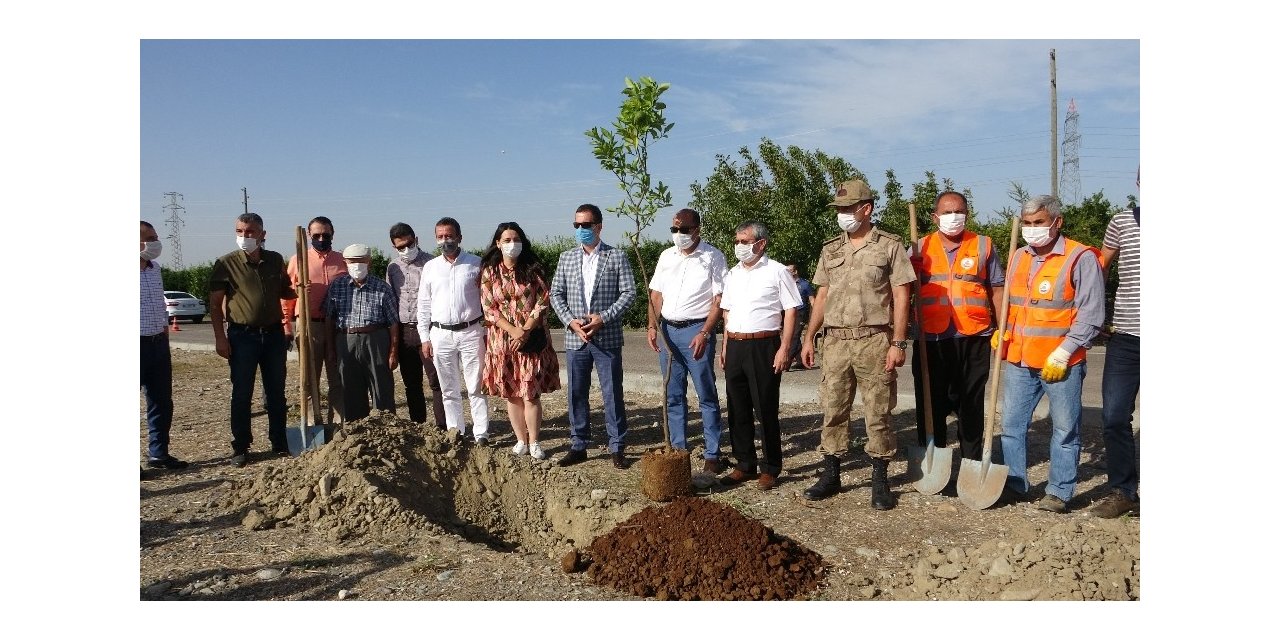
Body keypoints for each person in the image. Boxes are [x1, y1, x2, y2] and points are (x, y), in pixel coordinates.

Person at [800, 179, 914, 509]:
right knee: (833, 410)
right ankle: (831, 475)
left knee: (878, 412)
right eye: (839, 210)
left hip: (874, 341)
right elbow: (821, 296)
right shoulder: (830, 249)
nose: (842, 215)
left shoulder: (889, 246)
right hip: (835, 342)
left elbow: (901, 295)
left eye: (848, 209)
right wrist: (808, 337)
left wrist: (899, 343)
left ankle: (880, 480)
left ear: (867, 209)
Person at [996, 195, 1105, 514]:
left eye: (1039, 223)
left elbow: (1092, 314)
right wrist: (1002, 331)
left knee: (1064, 428)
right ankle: (1015, 483)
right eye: (1027, 224)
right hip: (1020, 360)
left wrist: (1066, 351)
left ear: (1057, 222)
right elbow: (1014, 305)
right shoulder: (1018, 256)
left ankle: (1059, 491)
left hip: (1062, 362)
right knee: (1012, 425)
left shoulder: (1079, 257)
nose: (1032, 229)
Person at [908, 190, 1005, 462]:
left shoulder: (983, 245)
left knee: (971, 403)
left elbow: (996, 290)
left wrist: (1002, 328)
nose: (954, 217)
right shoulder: (918, 247)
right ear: (934, 216)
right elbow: (901, 289)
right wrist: (907, 269)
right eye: (947, 212)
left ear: (967, 214)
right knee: (930, 402)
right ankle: (932, 457)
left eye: (959, 211)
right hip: (932, 339)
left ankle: (971, 461)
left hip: (974, 336)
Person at [549, 203, 637, 469]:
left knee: (612, 394)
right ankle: (579, 445)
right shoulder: (566, 258)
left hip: (606, 337)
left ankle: (617, 446)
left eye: (585, 225)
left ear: (599, 226)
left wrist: (603, 317)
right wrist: (570, 322)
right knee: (576, 393)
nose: (580, 230)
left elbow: (629, 293)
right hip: (577, 339)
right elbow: (556, 294)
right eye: (576, 225)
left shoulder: (616, 256)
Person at [717, 221, 802, 491]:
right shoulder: (732, 274)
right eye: (737, 241)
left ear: (761, 243)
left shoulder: (777, 272)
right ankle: (744, 463)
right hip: (736, 344)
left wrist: (785, 347)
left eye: (745, 241)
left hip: (764, 344)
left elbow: (791, 310)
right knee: (737, 406)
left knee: (764, 407)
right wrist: (725, 346)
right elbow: (726, 312)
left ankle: (771, 466)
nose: (739, 247)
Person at [208, 212, 297, 467]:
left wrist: (300, 289)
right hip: (242, 336)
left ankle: (278, 441)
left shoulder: (274, 260)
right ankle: (241, 445)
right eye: (240, 232)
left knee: (276, 391)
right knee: (242, 392)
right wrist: (220, 338)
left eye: (250, 232)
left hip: (272, 336)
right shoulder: (226, 263)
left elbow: (285, 290)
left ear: (262, 234)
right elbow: (215, 305)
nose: (245, 237)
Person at [646, 208, 728, 473]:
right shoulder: (666, 256)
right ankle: (679, 450)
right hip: (669, 331)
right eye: (674, 230)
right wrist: (652, 325)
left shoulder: (713, 257)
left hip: (696, 331)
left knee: (705, 393)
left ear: (697, 230)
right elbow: (656, 295)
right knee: (673, 394)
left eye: (683, 230)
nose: (678, 235)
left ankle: (712, 453)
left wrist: (705, 332)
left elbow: (719, 299)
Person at [479, 222, 562, 460]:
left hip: (531, 340)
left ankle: (535, 441)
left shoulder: (533, 269)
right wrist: (512, 330)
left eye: (515, 239)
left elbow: (544, 301)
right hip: (503, 342)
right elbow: (488, 307)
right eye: (506, 240)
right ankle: (520, 440)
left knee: (530, 394)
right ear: (497, 243)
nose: (511, 244)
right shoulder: (489, 272)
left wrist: (524, 330)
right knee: (512, 394)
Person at [1089, 183, 1140, 518]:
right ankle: (1123, 491)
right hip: (1127, 337)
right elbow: (1100, 267)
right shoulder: (1121, 222)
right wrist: (1096, 313)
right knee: (1114, 417)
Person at [417, 217, 491, 445]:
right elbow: (424, 305)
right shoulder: (430, 267)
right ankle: (455, 430)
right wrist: (424, 338)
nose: (445, 240)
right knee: (448, 386)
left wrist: (487, 333)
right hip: (440, 334)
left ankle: (481, 433)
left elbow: (487, 299)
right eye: (440, 236)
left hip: (470, 331)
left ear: (459, 237)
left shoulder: (476, 264)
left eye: (449, 236)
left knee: (476, 385)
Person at [321, 243, 400, 422]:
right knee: (350, 388)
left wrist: (393, 351)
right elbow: (329, 318)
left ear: (369, 263)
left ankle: (386, 429)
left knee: (381, 386)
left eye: (361, 261)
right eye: (352, 262)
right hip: (346, 338)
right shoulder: (337, 286)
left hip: (376, 338)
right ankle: (357, 431)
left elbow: (393, 323)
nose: (357, 266)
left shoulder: (382, 287)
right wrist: (331, 348)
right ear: (345, 263)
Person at [283, 216, 347, 425]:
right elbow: (286, 296)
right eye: (317, 235)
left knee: (337, 378)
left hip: (338, 326)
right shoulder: (298, 260)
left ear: (332, 234)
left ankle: (337, 424)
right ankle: (312, 423)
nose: (321, 238)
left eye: (325, 235)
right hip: (310, 325)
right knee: (309, 379)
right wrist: (287, 325)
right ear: (309, 235)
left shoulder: (342, 260)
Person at [386, 223, 447, 427]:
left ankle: (442, 426)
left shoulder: (433, 263)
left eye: (408, 244)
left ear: (416, 239)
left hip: (429, 330)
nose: (405, 249)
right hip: (404, 331)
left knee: (436, 380)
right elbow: (392, 299)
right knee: (412, 383)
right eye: (400, 247)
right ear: (394, 247)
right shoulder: (393, 267)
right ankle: (418, 425)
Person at [140, 221, 188, 472]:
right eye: (149, 237)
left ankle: (158, 453)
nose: (155, 242)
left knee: (160, 401)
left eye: (155, 236)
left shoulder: (154, 268)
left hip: (158, 342)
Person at [786, 264, 816, 370]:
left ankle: (787, 362)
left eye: (790, 271)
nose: (788, 273)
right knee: (793, 336)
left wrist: (815, 316)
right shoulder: (786, 284)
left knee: (794, 336)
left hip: (801, 313)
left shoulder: (804, 284)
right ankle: (801, 361)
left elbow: (813, 301)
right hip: (789, 312)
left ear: (795, 271)